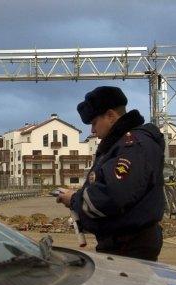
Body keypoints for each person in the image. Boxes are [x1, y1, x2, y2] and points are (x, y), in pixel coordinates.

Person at [56, 86, 165, 261]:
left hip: (128, 245)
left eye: (94, 123)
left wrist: (74, 199)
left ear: (111, 116)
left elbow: (112, 196)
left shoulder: (131, 146)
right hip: (124, 242)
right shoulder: (123, 145)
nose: (92, 131)